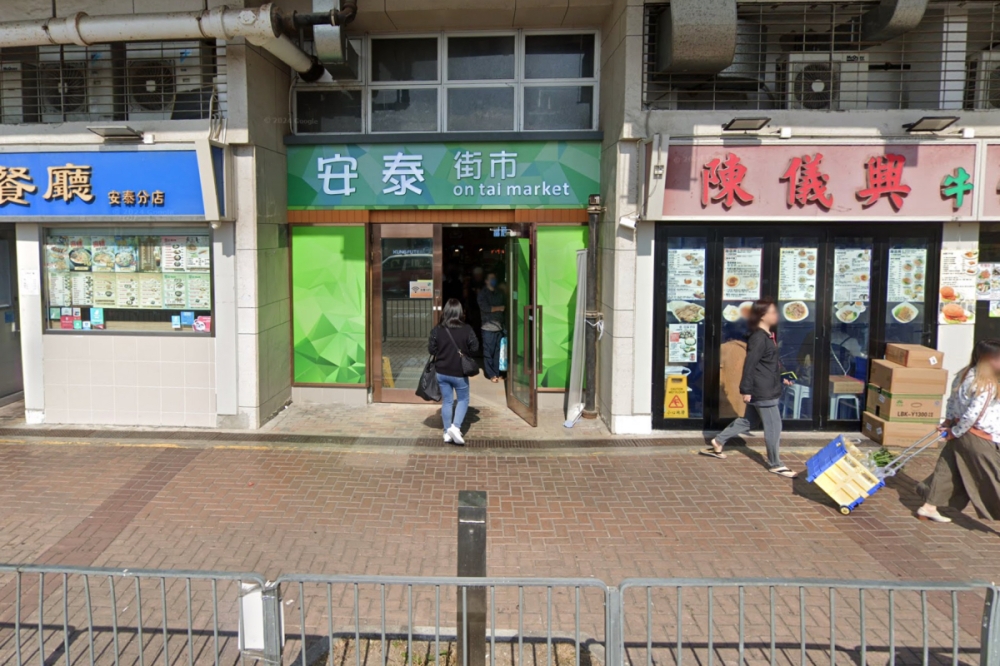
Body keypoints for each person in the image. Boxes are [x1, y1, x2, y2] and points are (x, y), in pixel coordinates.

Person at [702, 297, 797, 478]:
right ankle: (775, 464)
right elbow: (750, 365)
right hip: (763, 390)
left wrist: (783, 375)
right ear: (762, 315)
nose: (776, 315)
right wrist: (746, 389)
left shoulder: (767, 336)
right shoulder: (758, 338)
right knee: (774, 426)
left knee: (748, 421)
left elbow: (769, 362)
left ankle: (718, 441)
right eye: (772, 312)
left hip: (765, 386)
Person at [916, 339, 1000, 523]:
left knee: (948, 469)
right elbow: (974, 414)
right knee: (992, 479)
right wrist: (955, 431)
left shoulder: (964, 374)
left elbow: (952, 400)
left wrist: (949, 422)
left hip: (960, 431)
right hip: (978, 437)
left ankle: (929, 506)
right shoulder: (986, 383)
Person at [428, 298, 480, 445]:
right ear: (460, 312)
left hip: (442, 371)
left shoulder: (437, 329)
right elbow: (475, 348)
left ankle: (446, 432)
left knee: (447, 401)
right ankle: (456, 428)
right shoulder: (467, 329)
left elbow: (431, 349)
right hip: (459, 372)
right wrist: (465, 352)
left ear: (445, 312)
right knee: (463, 399)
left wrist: (442, 351)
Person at [477, 271, 505, 383]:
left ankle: (497, 373)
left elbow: (505, 305)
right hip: (487, 328)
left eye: (495, 278)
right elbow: (486, 308)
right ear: (486, 281)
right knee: (488, 352)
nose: (494, 280)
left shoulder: (499, 292)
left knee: (498, 352)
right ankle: (491, 374)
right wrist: (500, 308)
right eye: (491, 278)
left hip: (499, 327)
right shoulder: (482, 294)